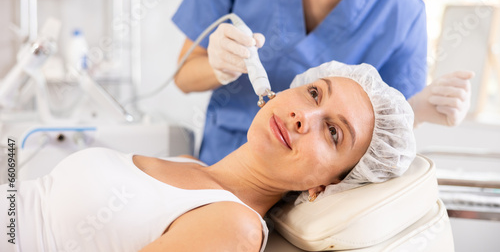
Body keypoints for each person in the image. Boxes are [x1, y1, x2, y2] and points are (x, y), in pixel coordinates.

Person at [1, 61, 415, 252]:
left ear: (323, 185)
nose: (302, 117)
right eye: (313, 93)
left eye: (333, 132)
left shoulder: (232, 227)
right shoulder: (189, 164)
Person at [172, 0, 473, 165]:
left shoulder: (404, 15)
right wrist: (218, 67)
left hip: (308, 200)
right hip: (221, 163)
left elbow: (382, 143)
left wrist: (416, 111)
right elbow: (183, 78)